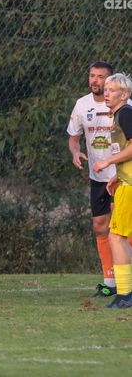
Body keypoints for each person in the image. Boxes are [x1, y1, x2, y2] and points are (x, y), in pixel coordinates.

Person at [67, 61, 118, 297]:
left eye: (100, 77)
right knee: (100, 226)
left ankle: (126, 280)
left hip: (121, 176)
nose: (94, 80)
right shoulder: (82, 104)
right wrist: (75, 152)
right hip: (98, 176)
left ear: (110, 81)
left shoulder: (124, 105)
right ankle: (110, 281)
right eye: (92, 76)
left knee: (123, 228)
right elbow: (73, 137)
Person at [93, 73, 132, 309]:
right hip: (125, 182)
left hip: (130, 186)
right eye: (106, 89)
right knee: (120, 237)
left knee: (116, 237)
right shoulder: (119, 115)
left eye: (112, 90)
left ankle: (125, 293)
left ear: (124, 95)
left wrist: (108, 162)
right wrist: (117, 175)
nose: (106, 93)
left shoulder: (125, 113)